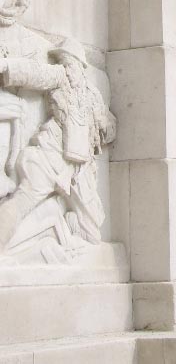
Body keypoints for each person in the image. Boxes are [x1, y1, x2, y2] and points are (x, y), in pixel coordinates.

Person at [0, 38, 116, 251]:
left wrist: (105, 125)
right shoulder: (60, 76)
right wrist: (7, 66)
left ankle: (54, 214)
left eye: (69, 63)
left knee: (92, 232)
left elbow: (110, 128)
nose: (66, 68)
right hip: (49, 157)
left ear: (81, 67)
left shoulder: (93, 94)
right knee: (22, 201)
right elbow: (36, 73)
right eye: (62, 62)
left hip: (78, 173)